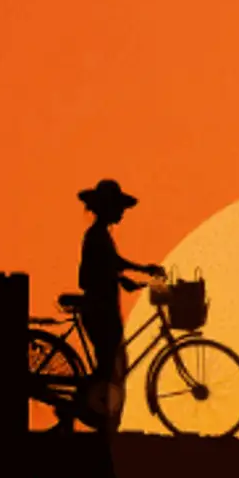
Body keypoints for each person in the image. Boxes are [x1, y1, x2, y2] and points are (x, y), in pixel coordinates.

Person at [76, 178, 164, 430]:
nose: (121, 213)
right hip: (99, 309)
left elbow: (109, 264)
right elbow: (109, 265)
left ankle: (101, 415)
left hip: (102, 307)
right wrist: (141, 269)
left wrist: (125, 277)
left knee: (111, 363)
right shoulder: (96, 236)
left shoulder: (100, 235)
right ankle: (93, 411)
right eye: (118, 208)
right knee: (111, 363)